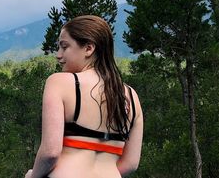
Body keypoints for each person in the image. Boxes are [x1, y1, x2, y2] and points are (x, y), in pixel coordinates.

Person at [25, 15, 143, 178]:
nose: (58, 55)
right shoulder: (131, 96)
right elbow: (131, 163)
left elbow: (50, 152)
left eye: (64, 47)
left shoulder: (58, 82)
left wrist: (33, 176)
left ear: (89, 48)